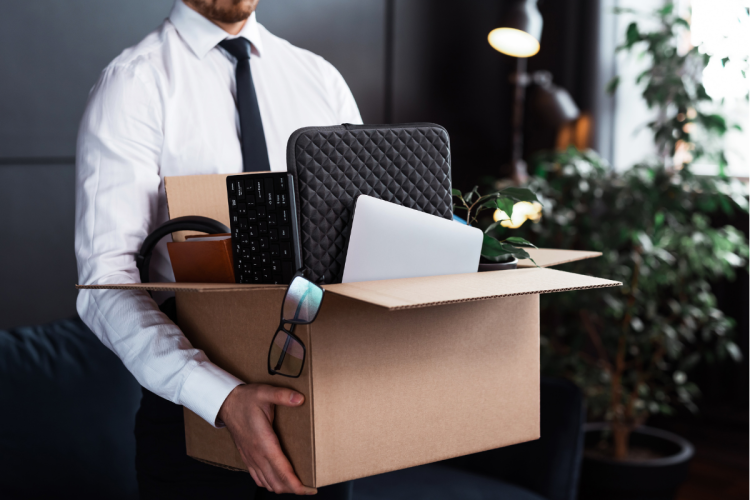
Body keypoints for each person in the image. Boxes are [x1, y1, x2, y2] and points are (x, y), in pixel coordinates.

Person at [74, 0, 361, 498]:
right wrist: (220, 396)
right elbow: (105, 281)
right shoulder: (133, 83)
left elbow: (362, 239)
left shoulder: (320, 78)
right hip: (196, 419)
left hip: (321, 408)